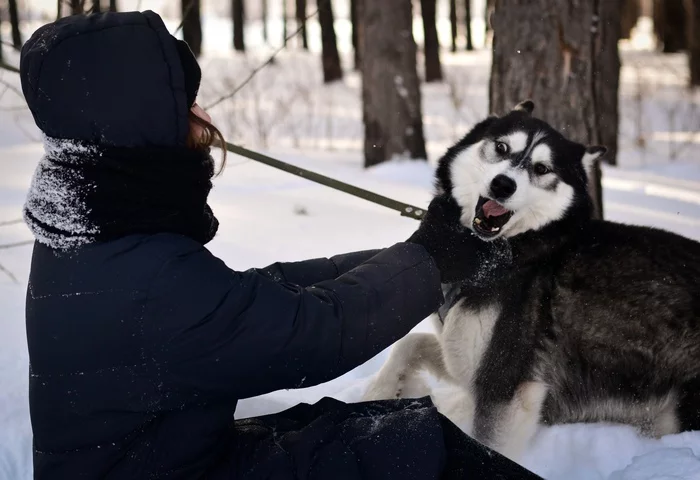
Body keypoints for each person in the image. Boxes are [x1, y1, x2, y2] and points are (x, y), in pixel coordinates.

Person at [19, 10, 540, 480]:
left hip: (168, 458)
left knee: (387, 435)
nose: (202, 114)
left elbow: (249, 302)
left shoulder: (93, 233)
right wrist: (430, 260)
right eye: (184, 102)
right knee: (418, 452)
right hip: (173, 468)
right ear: (139, 124)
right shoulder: (146, 278)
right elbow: (312, 334)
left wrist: (419, 256)